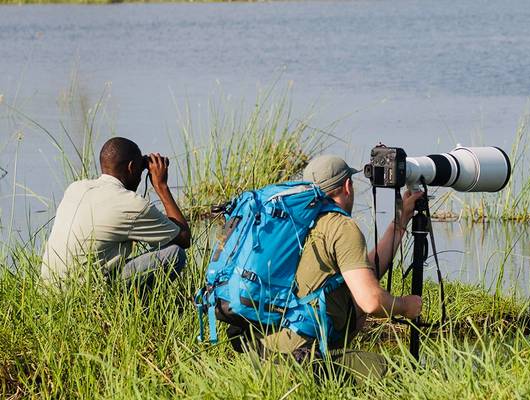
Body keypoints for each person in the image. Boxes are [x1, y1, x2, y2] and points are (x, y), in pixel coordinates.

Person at [229, 154, 422, 383]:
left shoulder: (295, 222)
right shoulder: (340, 226)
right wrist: (405, 306)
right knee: (397, 375)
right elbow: (370, 301)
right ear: (348, 187)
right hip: (297, 359)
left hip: (259, 351)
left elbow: (362, 274)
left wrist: (400, 223)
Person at [42, 137, 191, 290]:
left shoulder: (75, 188)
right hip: (87, 294)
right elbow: (184, 239)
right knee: (175, 254)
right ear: (131, 167)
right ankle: (136, 307)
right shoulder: (132, 204)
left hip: (50, 290)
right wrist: (161, 186)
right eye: (140, 169)